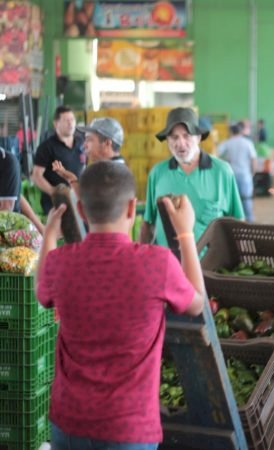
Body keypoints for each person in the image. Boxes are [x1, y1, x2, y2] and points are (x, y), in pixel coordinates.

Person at [36, 161, 206, 449]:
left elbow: (41, 291)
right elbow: (197, 303)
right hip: (128, 429)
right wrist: (185, 234)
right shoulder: (157, 263)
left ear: (80, 210)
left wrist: (49, 236)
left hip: (68, 425)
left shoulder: (60, 262)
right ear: (132, 208)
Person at [139, 107, 244, 247]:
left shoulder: (222, 172)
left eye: (186, 135)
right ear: (167, 140)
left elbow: (237, 222)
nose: (180, 143)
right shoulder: (157, 173)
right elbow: (149, 223)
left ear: (199, 137)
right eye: (174, 137)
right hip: (169, 265)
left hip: (209, 264)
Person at [52, 117, 126, 196]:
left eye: (89, 139)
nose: (84, 145)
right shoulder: (106, 172)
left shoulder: (113, 176)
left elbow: (90, 205)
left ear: (107, 143)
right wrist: (71, 179)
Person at [32, 105, 85, 214]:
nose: (70, 123)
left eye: (72, 119)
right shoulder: (47, 147)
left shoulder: (82, 143)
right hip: (55, 203)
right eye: (66, 120)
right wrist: (53, 192)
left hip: (79, 198)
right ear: (56, 124)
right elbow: (36, 175)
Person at [217, 123, 258, 222]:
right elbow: (253, 159)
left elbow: (216, 153)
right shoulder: (247, 143)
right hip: (245, 175)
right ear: (240, 131)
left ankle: (235, 222)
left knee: (233, 199)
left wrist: (225, 163)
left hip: (231, 174)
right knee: (247, 199)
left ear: (231, 132)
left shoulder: (227, 142)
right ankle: (249, 221)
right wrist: (253, 171)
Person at [0, 148, 45, 233]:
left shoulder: (6, 161)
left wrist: (40, 228)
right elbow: (14, 194)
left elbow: (5, 211)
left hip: (8, 233)